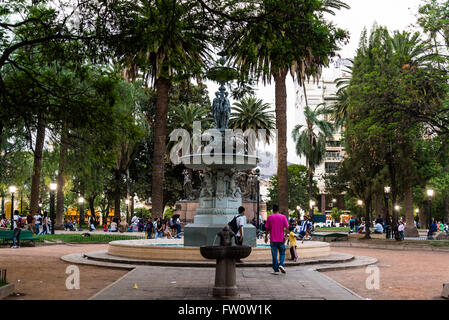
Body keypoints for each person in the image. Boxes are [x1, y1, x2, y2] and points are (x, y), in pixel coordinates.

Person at [264, 204, 289, 275]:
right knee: (282, 253)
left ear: (273, 210)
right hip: (281, 239)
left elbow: (267, 228)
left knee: (274, 255)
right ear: (278, 209)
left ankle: (276, 270)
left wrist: (266, 237)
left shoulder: (269, 217)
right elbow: (287, 227)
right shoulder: (283, 217)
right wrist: (285, 236)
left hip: (273, 239)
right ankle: (281, 264)